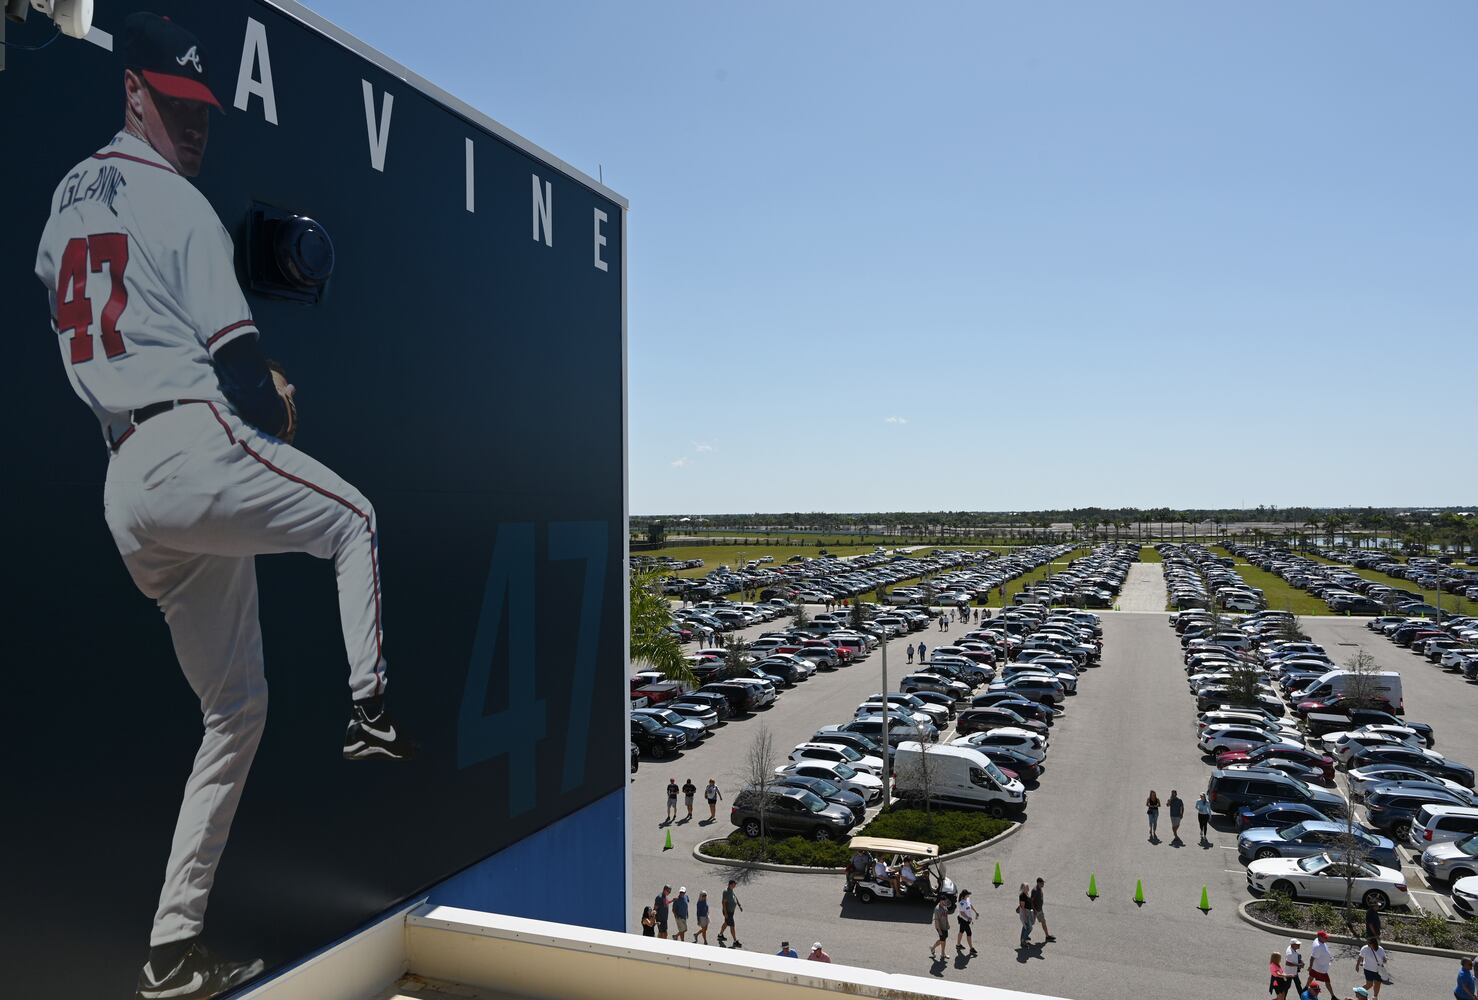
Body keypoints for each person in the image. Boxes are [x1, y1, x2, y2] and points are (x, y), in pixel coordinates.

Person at [36, 14, 416, 997]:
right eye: (174, 103)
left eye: (199, 109)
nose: (192, 125)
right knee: (355, 518)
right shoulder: (183, 209)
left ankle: (170, 947)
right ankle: (370, 710)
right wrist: (272, 398)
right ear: (134, 93)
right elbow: (247, 380)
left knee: (235, 710)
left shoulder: (71, 198)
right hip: (182, 448)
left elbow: (80, 303)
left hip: (125, 482)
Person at [1309, 930, 1334, 995]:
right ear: (1319, 937)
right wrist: (1310, 966)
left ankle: (1306, 988)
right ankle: (1332, 995)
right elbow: (1312, 957)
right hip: (1320, 968)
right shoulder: (1318, 946)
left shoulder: (1319, 940)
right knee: (1327, 981)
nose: (1326, 938)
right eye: (1324, 937)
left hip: (1317, 967)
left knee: (1311, 977)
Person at [719, 879, 742, 948]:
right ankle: (735, 941)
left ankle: (720, 935)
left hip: (731, 912)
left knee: (726, 923)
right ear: (730, 884)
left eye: (735, 885)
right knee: (732, 926)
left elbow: (735, 896)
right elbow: (723, 903)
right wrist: (726, 913)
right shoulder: (726, 892)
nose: (734, 886)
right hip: (728, 912)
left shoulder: (731, 890)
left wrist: (739, 905)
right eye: (733, 884)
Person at [956, 889, 978, 956]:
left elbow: (970, 905)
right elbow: (962, 913)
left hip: (966, 920)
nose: (969, 895)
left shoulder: (967, 899)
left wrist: (975, 912)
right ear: (964, 895)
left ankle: (958, 945)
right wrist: (968, 918)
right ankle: (971, 948)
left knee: (961, 931)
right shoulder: (961, 903)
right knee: (969, 933)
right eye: (968, 894)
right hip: (963, 920)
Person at [1031, 877, 1054, 942]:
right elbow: (1031, 901)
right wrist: (1034, 910)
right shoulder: (1035, 890)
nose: (1043, 884)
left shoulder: (1040, 888)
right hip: (1035, 911)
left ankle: (1047, 936)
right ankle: (1024, 937)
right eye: (1042, 883)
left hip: (1040, 910)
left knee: (1043, 922)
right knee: (1030, 924)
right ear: (1038, 883)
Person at [1016, 884, 1035, 949]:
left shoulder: (1026, 893)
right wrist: (1025, 916)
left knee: (1025, 927)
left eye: (1028, 887)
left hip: (1029, 912)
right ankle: (1023, 941)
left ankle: (1024, 937)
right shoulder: (1022, 895)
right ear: (1023, 888)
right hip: (1026, 913)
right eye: (1026, 887)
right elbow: (1022, 906)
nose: (1028, 888)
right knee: (1029, 928)